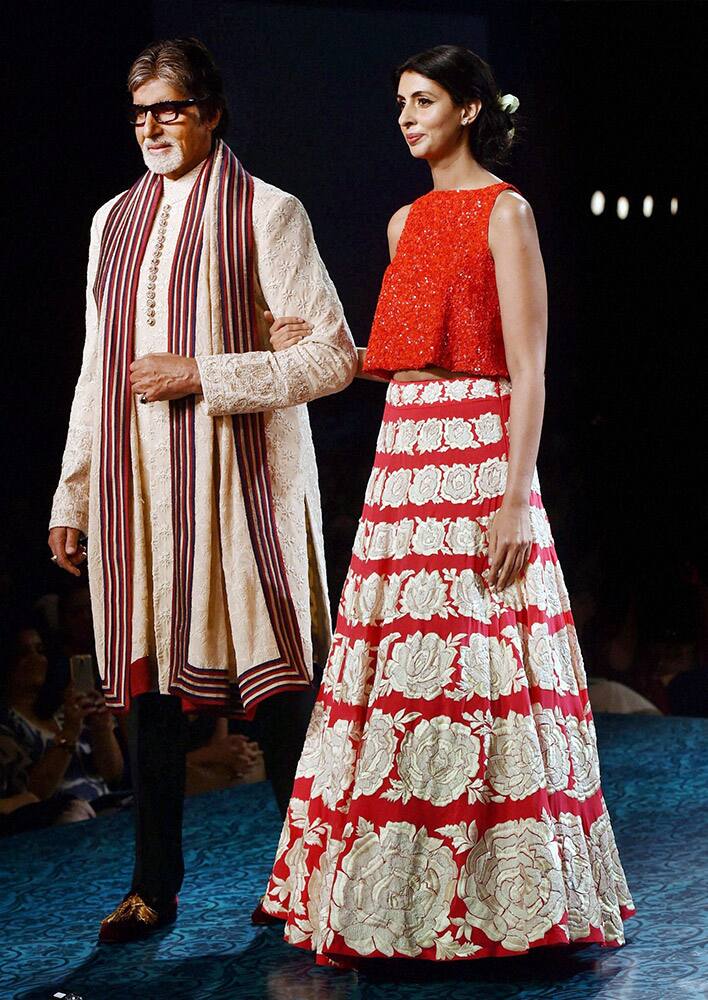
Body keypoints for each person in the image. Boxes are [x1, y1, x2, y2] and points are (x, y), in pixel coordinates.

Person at [256, 45, 635, 967]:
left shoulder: (507, 211)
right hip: (404, 452)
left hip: (479, 455)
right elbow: (400, 351)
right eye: (398, 103)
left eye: (423, 100)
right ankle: (402, 904)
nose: (405, 116)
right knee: (404, 675)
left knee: (486, 671)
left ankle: (516, 899)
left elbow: (531, 366)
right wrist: (305, 342)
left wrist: (513, 499)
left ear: (469, 109)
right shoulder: (402, 223)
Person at [47, 37, 357, 941]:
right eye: (141, 111)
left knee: (280, 694)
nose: (152, 127)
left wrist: (203, 374)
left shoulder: (269, 213)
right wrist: (72, 497)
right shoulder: (112, 221)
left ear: (211, 113)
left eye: (170, 108)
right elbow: (94, 372)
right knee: (146, 692)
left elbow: (332, 355)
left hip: (241, 485)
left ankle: (310, 883)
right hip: (139, 490)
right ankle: (154, 886)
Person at [0, 618, 124, 826]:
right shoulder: (8, 726)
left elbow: (113, 775)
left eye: (40, 650)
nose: (35, 659)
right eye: (23, 653)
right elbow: (34, 795)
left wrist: (101, 728)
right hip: (60, 821)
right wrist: (70, 732)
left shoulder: (64, 710)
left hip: (107, 807)